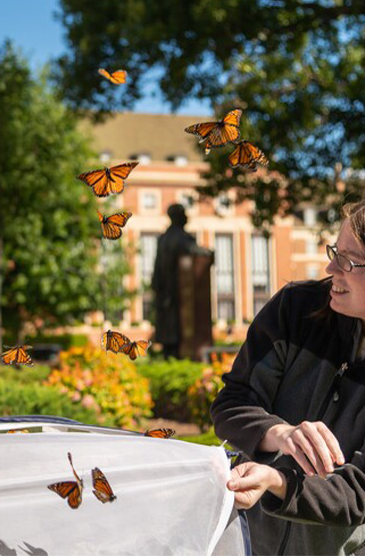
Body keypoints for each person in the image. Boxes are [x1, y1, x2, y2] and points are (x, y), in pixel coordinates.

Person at [211, 198, 365, 555]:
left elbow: (358, 493)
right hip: (249, 544)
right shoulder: (295, 308)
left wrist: (279, 481)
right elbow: (231, 404)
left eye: (348, 260)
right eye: (334, 251)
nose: (331, 267)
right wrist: (279, 433)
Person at [151, 203, 197, 358]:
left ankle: (169, 358)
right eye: (184, 214)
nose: (186, 217)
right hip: (177, 293)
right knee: (175, 332)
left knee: (168, 336)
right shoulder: (181, 239)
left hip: (164, 293)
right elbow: (193, 249)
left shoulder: (163, 238)